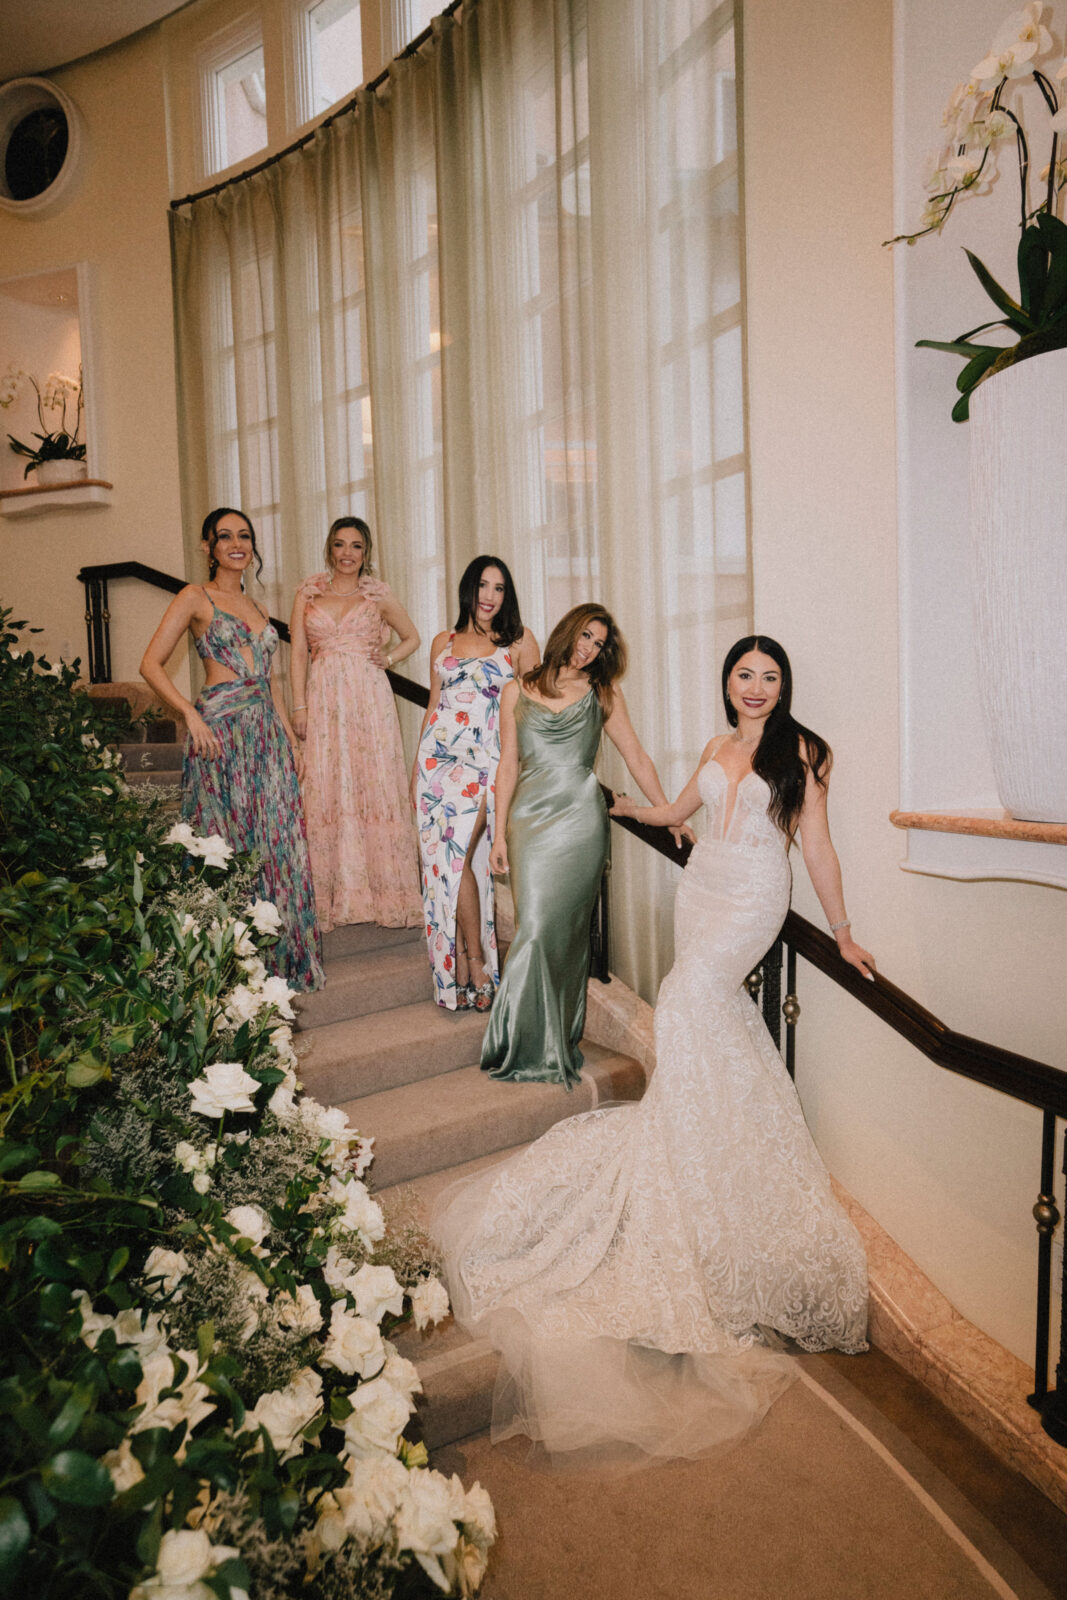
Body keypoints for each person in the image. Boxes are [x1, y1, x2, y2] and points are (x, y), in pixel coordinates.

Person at [433, 635, 871, 1462]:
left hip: (750, 901)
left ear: (784, 686)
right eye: (743, 674)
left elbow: (813, 845)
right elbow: (678, 813)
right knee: (696, 1022)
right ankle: (693, 1138)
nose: (754, 687)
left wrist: (842, 932)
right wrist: (629, 810)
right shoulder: (714, 746)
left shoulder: (804, 751)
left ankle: (707, 1161)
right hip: (699, 888)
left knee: (691, 1000)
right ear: (727, 682)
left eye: (769, 676)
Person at [482, 603, 687, 1088]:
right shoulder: (517, 688)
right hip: (529, 820)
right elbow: (507, 764)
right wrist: (497, 830)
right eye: (585, 636)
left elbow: (635, 755)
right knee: (533, 927)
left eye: (599, 643)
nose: (589, 648)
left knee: (565, 937)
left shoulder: (602, 694)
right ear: (567, 631)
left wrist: (670, 812)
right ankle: (521, 1042)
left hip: (580, 821)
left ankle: (552, 1041)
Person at [139, 507, 323, 991]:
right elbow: (151, 664)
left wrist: (288, 738)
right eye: (225, 536)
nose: (237, 544)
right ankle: (227, 964)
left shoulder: (260, 609)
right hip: (219, 731)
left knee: (278, 840)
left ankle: (282, 961)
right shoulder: (194, 597)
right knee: (226, 842)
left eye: (244, 536)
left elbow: (271, 683)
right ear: (208, 546)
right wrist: (189, 713)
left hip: (265, 732)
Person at [412, 557, 539, 1011]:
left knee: (460, 854)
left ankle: (476, 961)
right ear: (468, 589)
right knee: (443, 869)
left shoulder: (520, 644)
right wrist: (416, 770)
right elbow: (433, 705)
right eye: (483, 586)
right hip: (436, 764)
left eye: (499, 588)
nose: (489, 596)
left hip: (486, 763)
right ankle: (467, 965)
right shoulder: (441, 642)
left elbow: (530, 717)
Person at [289, 516, 422, 933]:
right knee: (327, 785)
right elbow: (296, 654)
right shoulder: (308, 593)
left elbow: (412, 636)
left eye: (357, 546)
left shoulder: (377, 595)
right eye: (341, 545)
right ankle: (332, 895)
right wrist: (298, 706)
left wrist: (391, 658)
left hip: (368, 699)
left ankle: (385, 893)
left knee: (372, 782)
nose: (348, 554)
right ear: (330, 548)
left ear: (367, 553)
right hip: (324, 699)